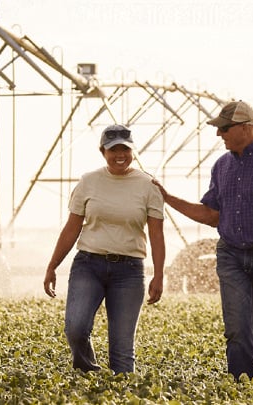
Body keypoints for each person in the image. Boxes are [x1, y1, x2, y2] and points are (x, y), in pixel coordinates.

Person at [153, 100, 253, 381]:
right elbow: (211, 215)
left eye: (224, 128)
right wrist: (167, 198)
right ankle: (242, 387)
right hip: (231, 256)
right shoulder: (222, 166)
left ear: (246, 128)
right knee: (237, 326)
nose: (219, 134)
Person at [43, 124, 165, 374]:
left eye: (125, 149)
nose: (120, 154)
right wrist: (52, 266)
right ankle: (89, 376)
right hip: (89, 264)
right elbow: (71, 228)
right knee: (76, 328)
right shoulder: (88, 181)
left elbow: (156, 234)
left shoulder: (148, 185)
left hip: (129, 271)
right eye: (113, 149)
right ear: (103, 151)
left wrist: (159, 274)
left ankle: (120, 396)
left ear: (132, 151)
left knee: (121, 351)